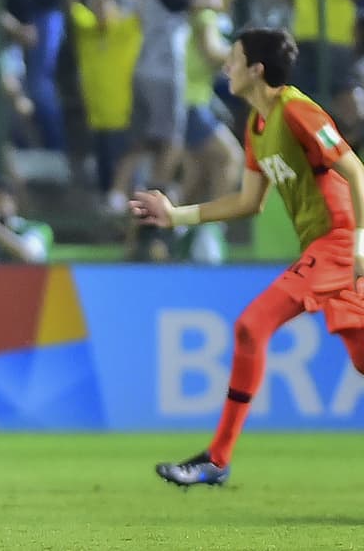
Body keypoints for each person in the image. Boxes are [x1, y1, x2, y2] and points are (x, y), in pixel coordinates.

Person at [130, 28, 364, 487]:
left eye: (233, 59)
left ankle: (217, 458)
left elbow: (356, 170)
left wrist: (359, 241)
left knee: (251, 325)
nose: (225, 66)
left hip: (338, 243)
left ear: (256, 70)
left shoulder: (297, 109)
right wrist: (175, 216)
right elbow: (247, 203)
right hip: (324, 249)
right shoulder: (257, 124)